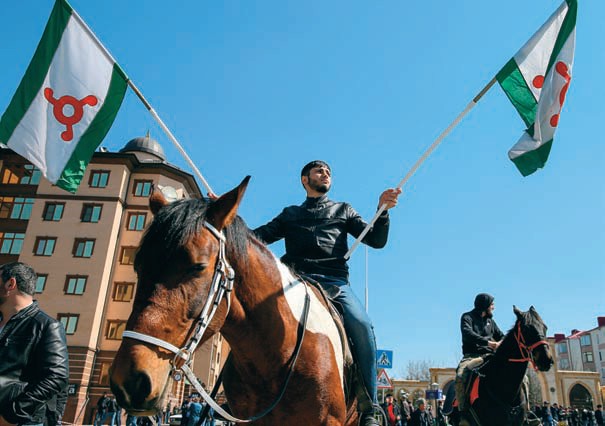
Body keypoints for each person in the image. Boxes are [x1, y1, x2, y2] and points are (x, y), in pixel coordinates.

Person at [253, 160, 401, 425]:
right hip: (295, 281)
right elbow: (257, 238)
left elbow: (376, 240)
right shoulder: (290, 214)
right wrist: (227, 221)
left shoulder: (343, 209)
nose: (325, 174)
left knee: (363, 326)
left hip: (334, 284)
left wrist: (382, 211)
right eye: (319, 171)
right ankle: (241, 392)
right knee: (252, 314)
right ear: (304, 180)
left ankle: (370, 407)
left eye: (328, 172)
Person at [0, 262, 69, 426]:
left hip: (19, 421)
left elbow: (57, 377)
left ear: (10, 284)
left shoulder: (46, 326)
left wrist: (12, 415)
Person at [454, 293, 504, 418]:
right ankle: (463, 413)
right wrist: (489, 343)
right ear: (485, 305)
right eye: (492, 304)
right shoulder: (467, 317)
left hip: (491, 356)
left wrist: (502, 342)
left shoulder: (491, 322)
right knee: (460, 377)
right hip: (472, 356)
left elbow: (502, 336)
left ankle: (525, 413)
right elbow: (467, 333)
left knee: (522, 377)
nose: (493, 307)